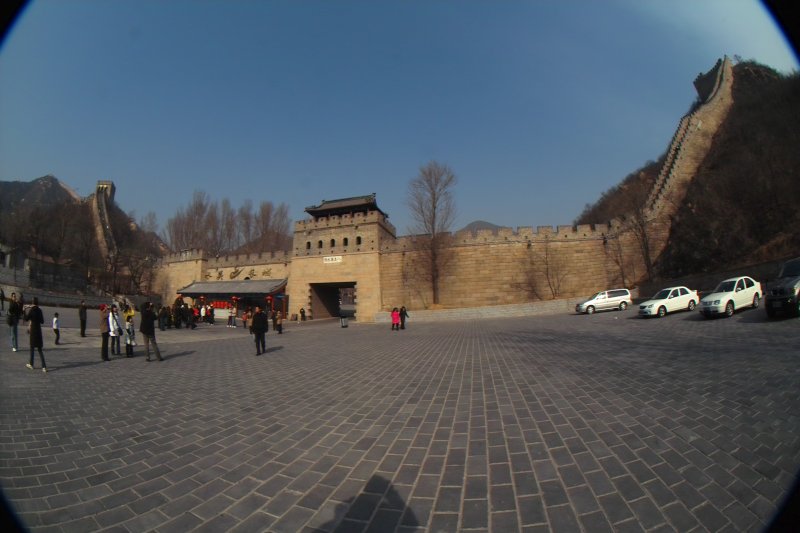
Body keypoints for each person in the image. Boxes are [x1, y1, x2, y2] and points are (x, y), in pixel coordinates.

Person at [24, 297, 46, 373]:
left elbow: (26, 319)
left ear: (33, 303)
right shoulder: (40, 310)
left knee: (32, 348)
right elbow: (42, 321)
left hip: (33, 331)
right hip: (38, 331)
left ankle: (31, 364)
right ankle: (44, 367)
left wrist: (24, 310)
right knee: (40, 350)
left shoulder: (31, 310)